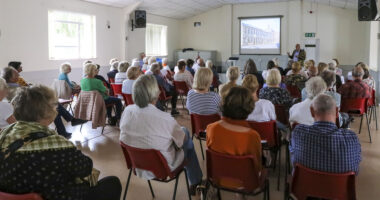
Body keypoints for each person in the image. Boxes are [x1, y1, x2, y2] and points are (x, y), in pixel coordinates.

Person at [0, 85, 122, 200]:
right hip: (53, 195)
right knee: (112, 184)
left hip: (11, 194)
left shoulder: (5, 133)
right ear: (47, 112)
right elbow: (85, 168)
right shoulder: (57, 144)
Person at [119, 75, 203, 194]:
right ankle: (196, 182)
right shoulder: (164, 118)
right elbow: (182, 142)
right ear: (155, 93)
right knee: (186, 136)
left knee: (180, 135)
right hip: (163, 168)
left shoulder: (127, 111)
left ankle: (196, 181)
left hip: (137, 164)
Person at [206, 86, 264, 189]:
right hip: (245, 182)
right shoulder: (252, 136)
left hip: (218, 178)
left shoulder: (211, 128)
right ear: (249, 107)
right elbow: (257, 167)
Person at [290, 94, 361, 174]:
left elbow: (293, 158)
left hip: (303, 185)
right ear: (337, 112)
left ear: (312, 111)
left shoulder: (298, 132)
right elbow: (356, 170)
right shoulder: (352, 138)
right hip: (338, 186)